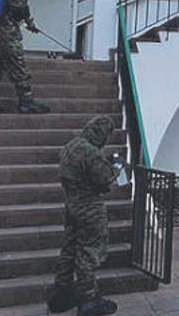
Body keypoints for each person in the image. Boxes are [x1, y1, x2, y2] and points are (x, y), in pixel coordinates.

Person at [50, 116, 119, 316]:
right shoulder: (90, 152)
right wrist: (115, 168)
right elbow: (104, 180)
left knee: (69, 248)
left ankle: (61, 293)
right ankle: (88, 299)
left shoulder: (71, 146)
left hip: (71, 204)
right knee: (89, 252)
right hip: (89, 207)